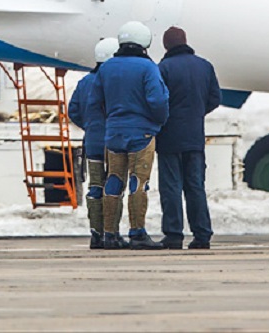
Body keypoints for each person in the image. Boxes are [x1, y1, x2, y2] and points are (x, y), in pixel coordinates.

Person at [90, 20, 170, 250]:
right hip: (141, 133)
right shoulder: (148, 68)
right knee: (138, 182)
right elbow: (158, 101)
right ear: (144, 42)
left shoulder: (106, 68)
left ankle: (110, 234)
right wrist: (158, 121)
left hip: (114, 133)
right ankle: (137, 233)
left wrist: (112, 120)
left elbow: (96, 102)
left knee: (113, 180)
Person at [155, 26, 222, 250]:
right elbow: (215, 98)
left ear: (166, 45)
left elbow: (157, 102)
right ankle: (202, 234)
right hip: (195, 136)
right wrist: (196, 113)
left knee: (171, 186)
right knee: (195, 186)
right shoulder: (205, 66)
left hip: (169, 137)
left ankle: (174, 235)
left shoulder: (163, 68)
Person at [68, 37, 117, 250]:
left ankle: (95, 234)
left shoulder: (85, 82)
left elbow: (73, 111)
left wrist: (90, 126)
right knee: (114, 187)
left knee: (95, 187)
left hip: (93, 143)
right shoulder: (115, 81)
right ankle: (111, 234)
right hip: (115, 143)